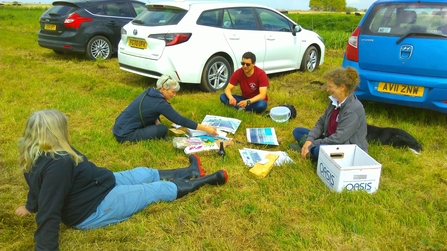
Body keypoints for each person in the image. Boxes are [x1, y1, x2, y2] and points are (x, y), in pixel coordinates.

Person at [15, 110, 228, 251]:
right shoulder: (58, 163)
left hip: (99, 184)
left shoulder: (35, 152)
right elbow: (49, 209)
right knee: (156, 189)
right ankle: (209, 180)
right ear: (55, 133)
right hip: (94, 207)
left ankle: (190, 171)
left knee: (143, 172)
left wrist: (29, 205)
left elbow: (37, 186)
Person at [290, 66, 368, 161]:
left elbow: (338, 139)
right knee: (298, 131)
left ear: (342, 87)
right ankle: (308, 149)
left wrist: (313, 143)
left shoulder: (353, 109)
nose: (327, 90)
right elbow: (321, 122)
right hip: (329, 139)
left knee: (319, 149)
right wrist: (310, 140)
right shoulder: (334, 100)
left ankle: (309, 152)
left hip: (344, 148)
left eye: (330, 87)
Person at [113, 75, 217, 143]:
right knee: (163, 129)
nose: (175, 95)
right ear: (163, 89)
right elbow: (180, 120)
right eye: (172, 92)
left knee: (158, 123)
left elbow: (149, 109)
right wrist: (206, 128)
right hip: (125, 135)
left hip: (118, 126)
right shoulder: (160, 103)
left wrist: (156, 120)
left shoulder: (150, 92)